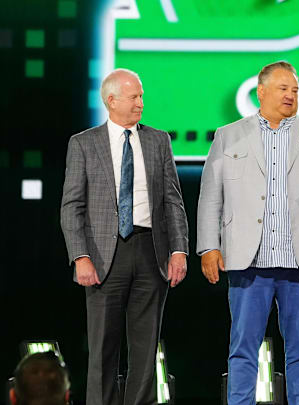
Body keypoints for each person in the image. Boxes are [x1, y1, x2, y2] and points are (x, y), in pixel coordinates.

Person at [60, 68, 189, 405]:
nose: (140, 103)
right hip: (104, 256)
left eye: (142, 96)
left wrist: (179, 250)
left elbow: (172, 200)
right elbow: (71, 205)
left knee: (146, 350)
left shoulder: (158, 140)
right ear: (111, 100)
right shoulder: (83, 144)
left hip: (151, 251)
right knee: (102, 347)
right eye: (134, 97)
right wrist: (80, 256)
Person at [196, 61, 299, 405]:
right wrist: (208, 248)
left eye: (294, 89)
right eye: (283, 88)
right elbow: (211, 193)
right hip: (248, 261)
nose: (290, 95)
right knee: (243, 348)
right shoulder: (229, 134)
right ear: (261, 92)